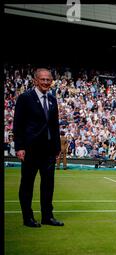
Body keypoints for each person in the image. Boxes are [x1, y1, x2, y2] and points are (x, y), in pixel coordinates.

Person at [13, 68, 64, 227]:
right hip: (31, 149)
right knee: (27, 184)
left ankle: (47, 216)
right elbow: (18, 124)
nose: (46, 82)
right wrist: (20, 147)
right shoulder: (25, 98)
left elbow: (54, 126)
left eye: (48, 80)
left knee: (48, 185)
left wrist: (57, 149)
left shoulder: (52, 99)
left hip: (49, 150)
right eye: (42, 79)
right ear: (35, 80)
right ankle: (27, 218)